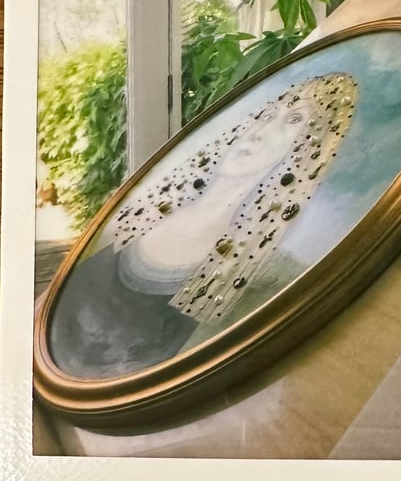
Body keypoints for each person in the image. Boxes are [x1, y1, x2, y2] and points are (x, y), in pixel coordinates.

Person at [48, 74, 358, 378]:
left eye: (293, 121)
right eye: (268, 114)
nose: (260, 132)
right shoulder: (142, 214)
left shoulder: (267, 274)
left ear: (309, 148)